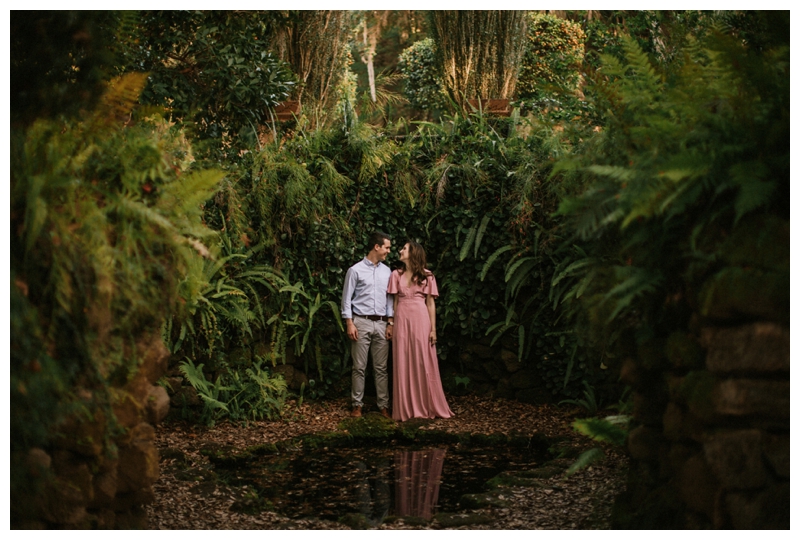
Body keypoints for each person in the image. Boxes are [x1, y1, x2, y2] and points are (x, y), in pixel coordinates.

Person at [387, 241, 454, 422]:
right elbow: (394, 302)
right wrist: (391, 323)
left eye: (404, 248)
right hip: (402, 319)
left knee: (423, 360)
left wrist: (433, 330)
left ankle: (426, 405)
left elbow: (431, 303)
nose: (400, 251)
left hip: (421, 319)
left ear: (413, 253)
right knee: (402, 360)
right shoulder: (395, 274)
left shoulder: (427, 276)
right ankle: (405, 409)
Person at [341, 231, 394, 418]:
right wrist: (349, 323)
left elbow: (389, 300)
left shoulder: (387, 271)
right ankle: (357, 405)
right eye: (386, 247)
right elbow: (346, 299)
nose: (389, 250)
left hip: (381, 323)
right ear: (376, 246)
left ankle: (383, 406)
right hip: (360, 322)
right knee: (359, 367)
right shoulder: (355, 270)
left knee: (381, 368)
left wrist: (390, 323)